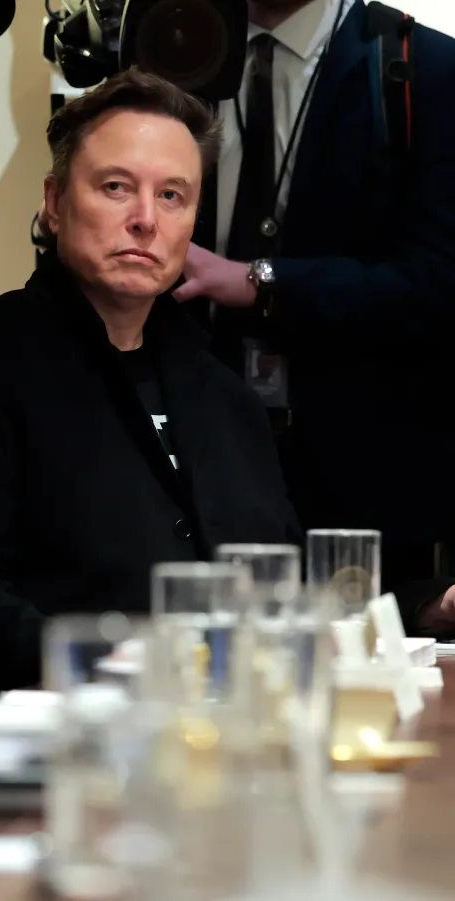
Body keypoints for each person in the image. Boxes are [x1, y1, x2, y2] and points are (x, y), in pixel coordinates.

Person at [0, 70, 302, 693]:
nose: (144, 220)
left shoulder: (224, 394)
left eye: (172, 197)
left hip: (240, 730)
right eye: (115, 187)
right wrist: (134, 676)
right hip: (63, 733)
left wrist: (424, 604)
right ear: (53, 204)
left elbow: (288, 586)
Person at [170, 0, 455, 597]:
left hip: (367, 462)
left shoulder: (423, 65)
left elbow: (437, 282)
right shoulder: (173, 45)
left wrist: (259, 282)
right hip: (189, 451)